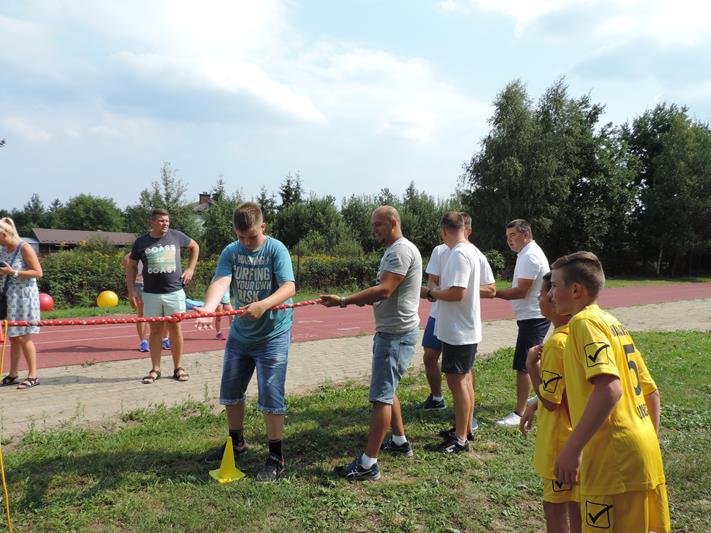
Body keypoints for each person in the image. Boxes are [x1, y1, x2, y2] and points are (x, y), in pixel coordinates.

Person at [549, 252, 669, 533]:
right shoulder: (613, 323)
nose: (551, 293)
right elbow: (651, 392)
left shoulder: (583, 323)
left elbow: (610, 388)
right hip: (642, 453)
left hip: (611, 460)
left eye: (554, 285)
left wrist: (572, 449)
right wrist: (644, 446)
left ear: (575, 290)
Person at [321, 206, 422, 481]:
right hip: (392, 332)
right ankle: (399, 442)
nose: (373, 229)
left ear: (393, 222)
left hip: (395, 335)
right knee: (388, 389)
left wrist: (344, 300)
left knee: (381, 398)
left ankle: (369, 464)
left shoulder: (400, 251)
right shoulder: (395, 250)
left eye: (378, 224)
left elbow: (385, 289)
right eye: (373, 225)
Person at [197, 202, 295, 482]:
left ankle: (276, 456)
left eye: (251, 236)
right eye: (241, 237)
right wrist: (209, 307)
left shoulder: (276, 249)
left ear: (262, 227)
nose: (246, 242)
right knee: (231, 391)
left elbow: (289, 287)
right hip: (241, 335)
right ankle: (236, 443)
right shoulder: (231, 251)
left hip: (273, 335)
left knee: (271, 394)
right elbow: (221, 281)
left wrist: (263, 304)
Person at [416, 213, 496, 438]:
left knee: (457, 381)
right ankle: (465, 430)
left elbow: (457, 293)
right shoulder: (467, 251)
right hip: (461, 327)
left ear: (444, 231)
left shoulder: (459, 253)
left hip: (458, 330)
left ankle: (460, 437)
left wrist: (430, 293)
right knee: (464, 379)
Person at [519, 273, 581, 533]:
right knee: (577, 506)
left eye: (543, 293)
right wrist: (534, 403)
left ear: (555, 300)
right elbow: (567, 389)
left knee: (555, 510)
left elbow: (552, 401)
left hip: (560, 442)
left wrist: (531, 366)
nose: (540, 298)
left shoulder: (556, 343)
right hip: (578, 438)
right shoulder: (577, 333)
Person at [126, 208, 199, 384]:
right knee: (155, 330)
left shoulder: (176, 236)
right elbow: (131, 266)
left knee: (175, 329)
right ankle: (155, 369)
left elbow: (195, 246)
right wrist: (131, 291)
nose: (165, 223)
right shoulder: (141, 241)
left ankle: (178, 368)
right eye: (161, 221)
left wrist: (190, 268)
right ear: (152, 222)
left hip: (174, 292)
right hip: (151, 294)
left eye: (167, 220)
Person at [495, 219, 550, 427]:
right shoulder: (526, 253)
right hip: (532, 316)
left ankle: (519, 413)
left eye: (513, 235)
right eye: (507, 237)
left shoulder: (530, 256)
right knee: (533, 361)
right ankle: (546, 394)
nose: (509, 240)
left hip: (533, 317)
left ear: (526, 235)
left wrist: (491, 292)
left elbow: (521, 291)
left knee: (525, 364)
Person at [0, 217, 43, 390]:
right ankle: (13, 374)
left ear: (4, 234)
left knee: (24, 336)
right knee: (13, 336)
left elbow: (38, 272)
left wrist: (14, 272)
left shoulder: (24, 247)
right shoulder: (3, 249)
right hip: (9, 296)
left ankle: (33, 375)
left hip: (24, 297)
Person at [123, 254, 170, 352]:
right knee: (142, 313)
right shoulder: (133, 253)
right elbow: (128, 266)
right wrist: (132, 289)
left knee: (165, 312)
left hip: (159, 283)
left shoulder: (159, 250)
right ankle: (143, 342)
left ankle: (165, 339)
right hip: (141, 284)